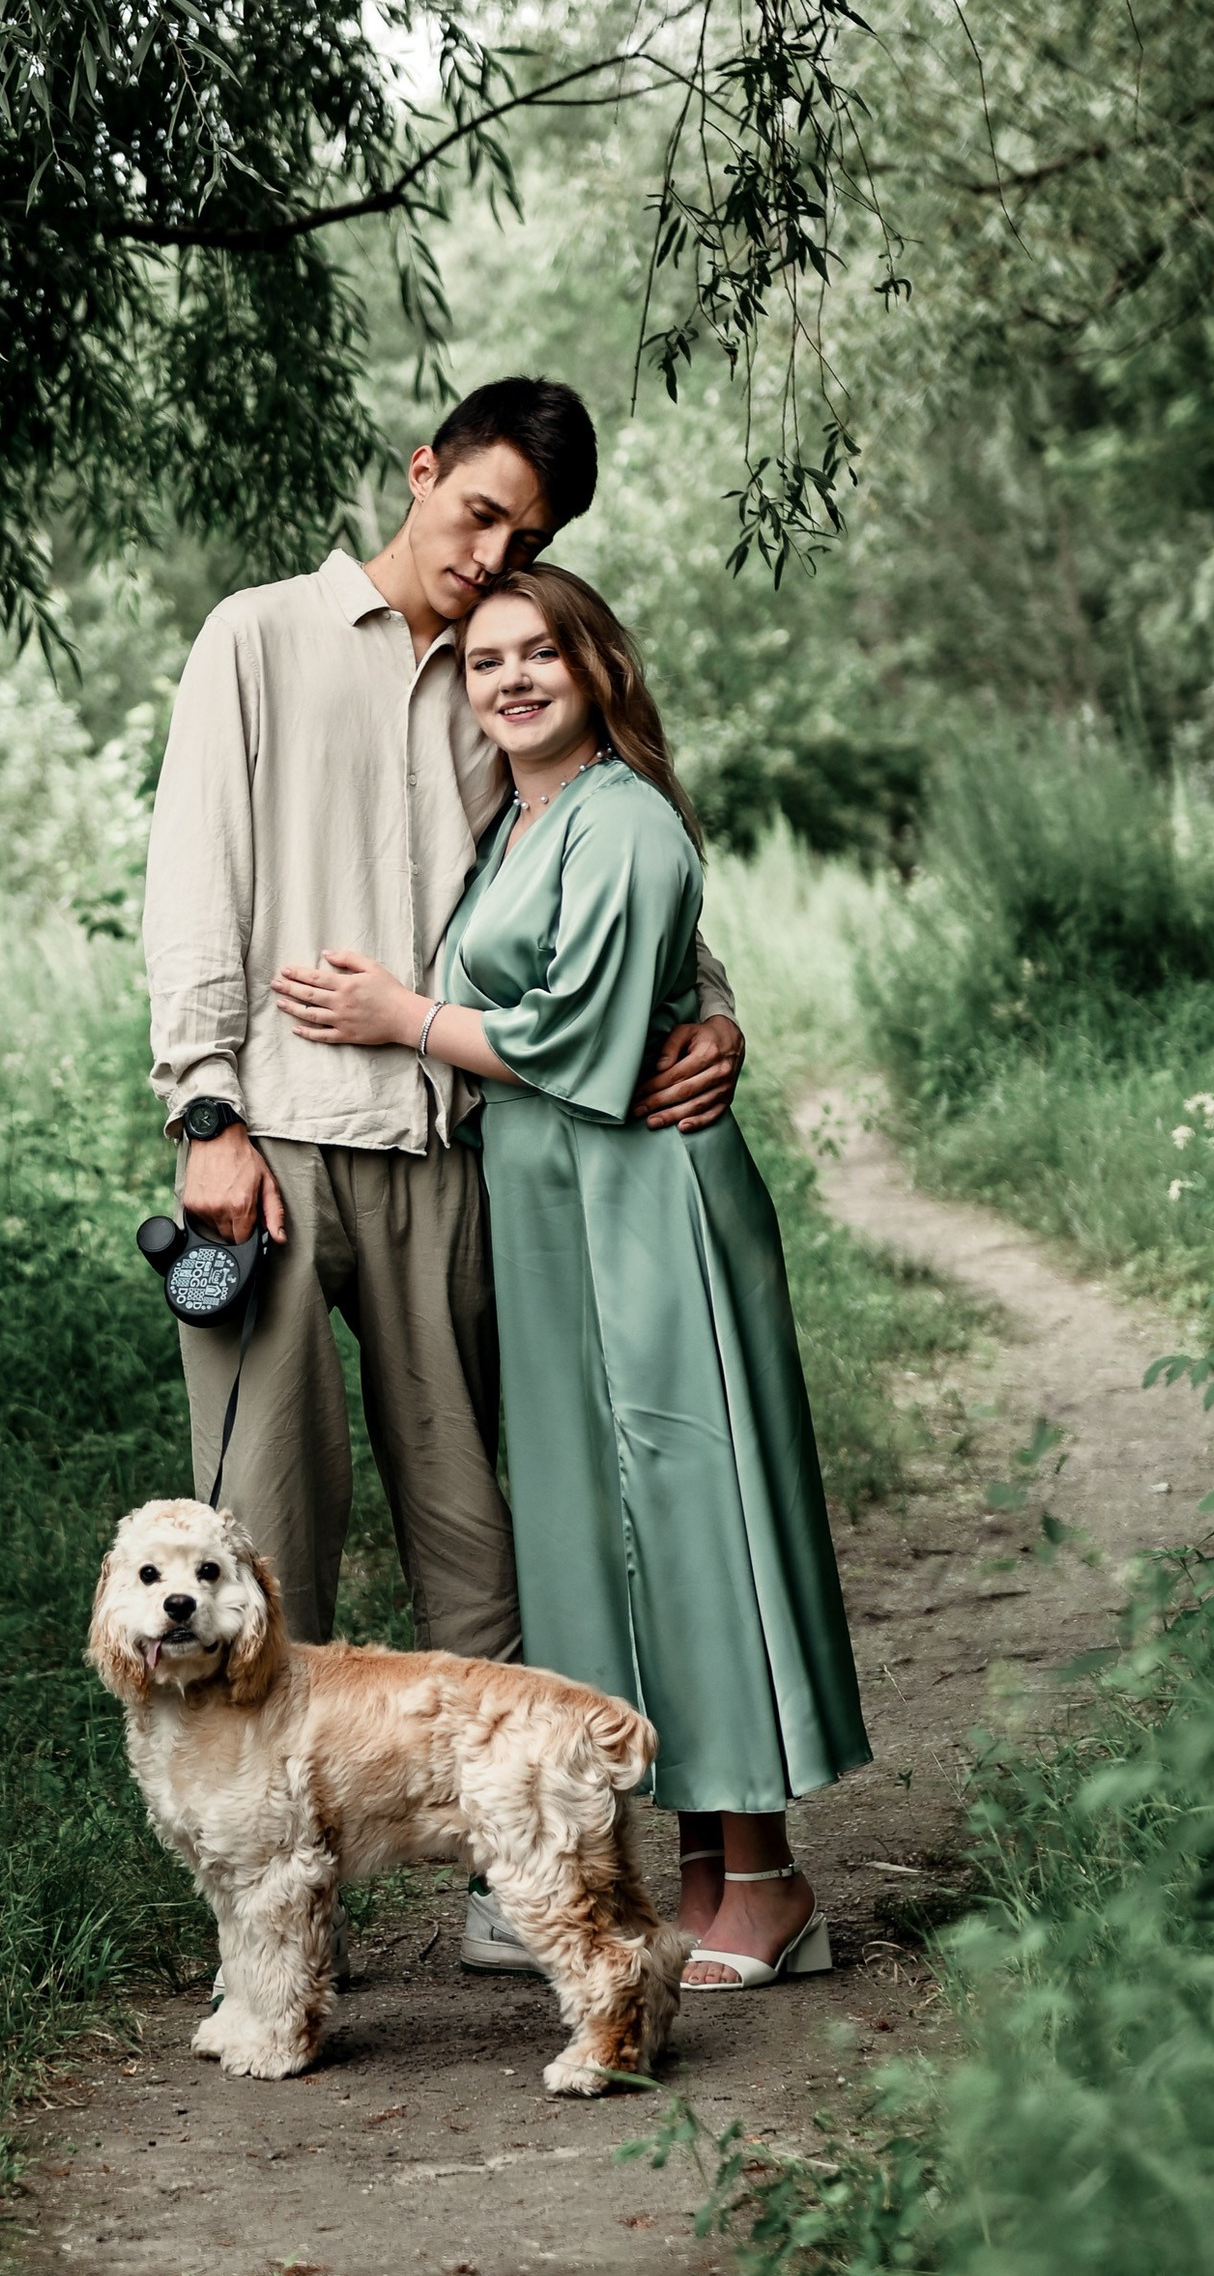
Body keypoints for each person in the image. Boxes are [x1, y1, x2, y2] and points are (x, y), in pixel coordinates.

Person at [141, 383, 744, 1972]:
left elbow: (601, 850)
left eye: (528, 539)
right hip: (271, 1147)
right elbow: (192, 875)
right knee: (262, 1536)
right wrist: (202, 1106)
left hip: (457, 1153)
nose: (494, 557)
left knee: (484, 1532)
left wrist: (712, 1008)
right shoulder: (257, 638)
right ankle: (278, 1908)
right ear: (421, 473)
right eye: (478, 513)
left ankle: (513, 1861)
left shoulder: (502, 673)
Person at [274, 562, 869, 1993]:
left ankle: (771, 1880)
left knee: (693, 1514)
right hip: (554, 1224)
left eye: (543, 652)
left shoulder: (625, 818)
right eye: (487, 661)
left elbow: (592, 1041)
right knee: (609, 1538)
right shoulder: (522, 821)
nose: (514, 678)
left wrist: (401, 1017)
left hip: (647, 1203)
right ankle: (703, 1876)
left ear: (596, 665)